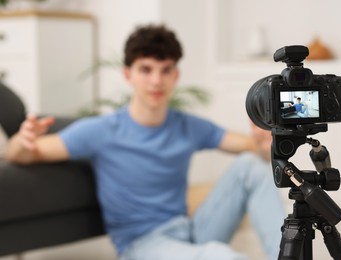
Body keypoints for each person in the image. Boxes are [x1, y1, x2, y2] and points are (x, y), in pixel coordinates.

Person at [5, 24, 285, 260]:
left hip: (188, 231)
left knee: (250, 166)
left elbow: (248, 148)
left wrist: (262, 141)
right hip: (142, 245)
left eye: (165, 70)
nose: (156, 80)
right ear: (129, 74)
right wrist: (22, 140)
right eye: (146, 69)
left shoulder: (187, 125)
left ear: (176, 75)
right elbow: (23, 155)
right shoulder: (101, 130)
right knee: (219, 255)